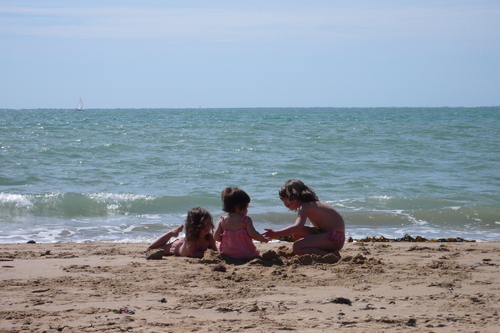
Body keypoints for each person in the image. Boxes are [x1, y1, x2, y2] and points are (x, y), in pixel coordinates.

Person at [263, 179, 345, 257]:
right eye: (283, 200)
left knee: (297, 247)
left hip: (334, 238)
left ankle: (330, 256)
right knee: (298, 232)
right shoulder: (310, 204)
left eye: (287, 198)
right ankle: (321, 250)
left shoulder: (305, 206)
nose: (285, 202)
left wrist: (275, 233)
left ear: (296, 194)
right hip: (332, 237)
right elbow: (298, 229)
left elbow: (297, 226)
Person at [214, 187, 268, 260]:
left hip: (226, 254)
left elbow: (216, 237)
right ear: (237, 207)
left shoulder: (222, 221)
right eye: (246, 207)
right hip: (245, 254)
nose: (247, 210)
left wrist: (228, 240)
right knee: (254, 252)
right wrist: (263, 239)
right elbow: (253, 234)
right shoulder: (245, 220)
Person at [146, 206, 217, 259]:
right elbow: (194, 253)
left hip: (183, 242)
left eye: (208, 223)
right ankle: (171, 233)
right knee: (150, 249)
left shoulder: (210, 237)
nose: (207, 227)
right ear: (194, 226)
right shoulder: (191, 239)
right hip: (177, 247)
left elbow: (215, 251)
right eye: (202, 225)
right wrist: (209, 254)